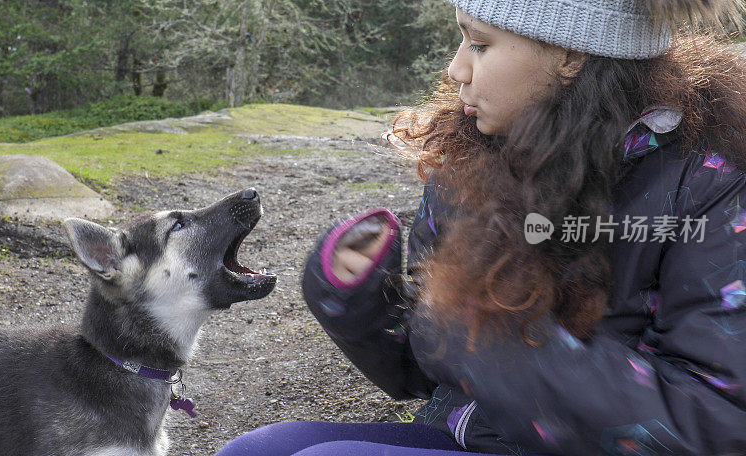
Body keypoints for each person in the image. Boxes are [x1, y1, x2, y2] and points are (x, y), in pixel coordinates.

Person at [217, 0, 746, 454]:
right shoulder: (475, 157)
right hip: (473, 435)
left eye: (480, 45)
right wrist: (357, 300)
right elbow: (427, 370)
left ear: (571, 55)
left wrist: (491, 344)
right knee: (260, 448)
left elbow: (717, 420)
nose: (455, 68)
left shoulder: (708, 183)